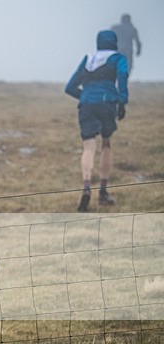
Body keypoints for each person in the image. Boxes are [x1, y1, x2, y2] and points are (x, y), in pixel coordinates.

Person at [65, 29, 128, 212]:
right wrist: (122, 102)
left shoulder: (88, 59)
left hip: (86, 105)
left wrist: (85, 96)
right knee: (106, 143)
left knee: (88, 147)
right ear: (114, 42)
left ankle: (86, 187)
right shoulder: (118, 58)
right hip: (107, 103)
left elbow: (69, 87)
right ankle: (103, 191)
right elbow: (122, 78)